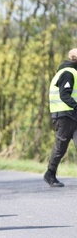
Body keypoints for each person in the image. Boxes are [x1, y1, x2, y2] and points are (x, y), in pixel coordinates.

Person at [45, 48, 77, 187]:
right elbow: (65, 95)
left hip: (73, 114)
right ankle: (50, 174)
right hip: (64, 115)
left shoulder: (72, 72)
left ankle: (50, 174)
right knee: (60, 148)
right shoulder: (67, 73)